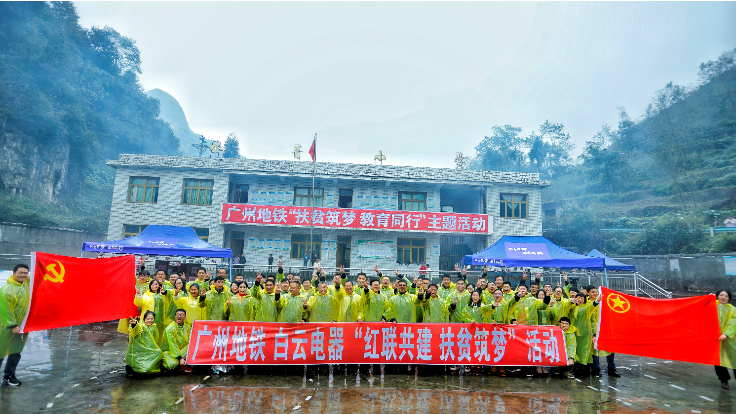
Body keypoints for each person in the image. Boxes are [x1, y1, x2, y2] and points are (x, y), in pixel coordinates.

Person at [0, 264, 30, 386]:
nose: (23, 275)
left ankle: (9, 375)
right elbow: (5, 310)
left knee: (16, 352)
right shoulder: (7, 290)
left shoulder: (26, 286)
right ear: (14, 273)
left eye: (25, 273)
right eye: (20, 272)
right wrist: (13, 325)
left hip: (22, 327)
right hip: (6, 327)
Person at [125, 311, 163, 376]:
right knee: (145, 370)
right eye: (148, 319)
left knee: (158, 352)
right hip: (140, 350)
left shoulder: (153, 328)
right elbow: (136, 330)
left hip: (148, 349)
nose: (150, 320)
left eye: (152, 318)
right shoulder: (141, 326)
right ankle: (131, 368)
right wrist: (134, 324)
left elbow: (155, 341)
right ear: (144, 319)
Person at [715, 290, 736, 389]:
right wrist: (708, 299)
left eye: (726, 296)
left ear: (729, 298)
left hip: (730, 338)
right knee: (718, 360)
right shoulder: (713, 306)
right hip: (716, 338)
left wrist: (726, 334)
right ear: (717, 296)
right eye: (721, 295)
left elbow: (734, 322)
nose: (723, 297)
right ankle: (724, 380)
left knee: (734, 358)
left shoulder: (733, 309)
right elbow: (701, 308)